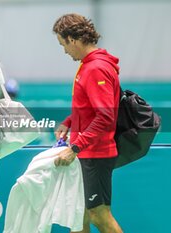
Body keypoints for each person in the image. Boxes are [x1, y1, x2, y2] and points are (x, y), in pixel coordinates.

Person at [52, 13, 123, 233]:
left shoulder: (96, 68)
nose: (64, 50)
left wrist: (75, 147)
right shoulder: (89, 65)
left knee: (99, 216)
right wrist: (70, 121)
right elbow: (91, 108)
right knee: (78, 216)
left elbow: (105, 116)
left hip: (95, 154)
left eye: (63, 44)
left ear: (72, 39)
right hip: (87, 152)